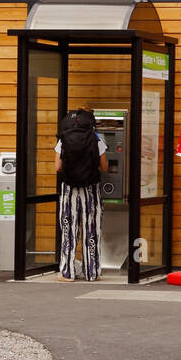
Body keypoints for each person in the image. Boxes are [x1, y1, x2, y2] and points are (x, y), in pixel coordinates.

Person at [52, 108, 109, 282]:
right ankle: (92, 272)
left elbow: (57, 167)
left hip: (69, 190)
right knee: (91, 230)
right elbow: (105, 167)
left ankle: (68, 272)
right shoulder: (96, 139)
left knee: (68, 232)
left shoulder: (63, 140)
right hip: (90, 191)